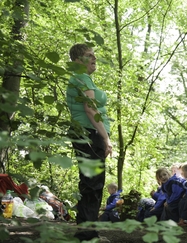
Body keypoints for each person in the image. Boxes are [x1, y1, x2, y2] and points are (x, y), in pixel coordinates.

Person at [66, 43, 113, 241]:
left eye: (94, 54)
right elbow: (90, 109)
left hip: (84, 134)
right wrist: (106, 138)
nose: (94, 58)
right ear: (77, 61)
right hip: (89, 135)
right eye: (88, 55)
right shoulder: (82, 78)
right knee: (93, 185)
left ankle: (86, 232)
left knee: (89, 184)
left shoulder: (79, 79)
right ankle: (87, 235)